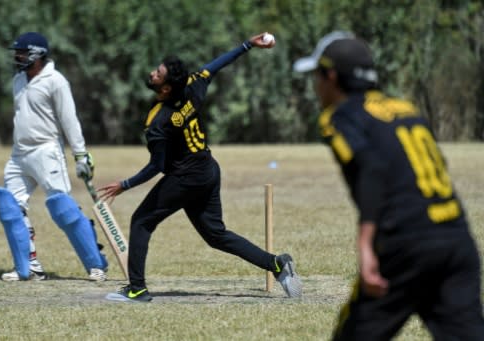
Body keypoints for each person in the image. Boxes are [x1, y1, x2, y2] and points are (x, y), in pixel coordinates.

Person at [293, 31, 484, 340]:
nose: (315, 85)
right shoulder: (405, 109)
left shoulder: (339, 117)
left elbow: (373, 168)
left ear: (331, 76)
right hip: (456, 239)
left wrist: (366, 245)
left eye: (317, 75)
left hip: (406, 246)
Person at [99, 32, 302, 302]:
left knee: (141, 221)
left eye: (157, 73)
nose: (152, 73)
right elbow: (217, 65)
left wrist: (124, 185)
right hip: (207, 170)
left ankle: (136, 289)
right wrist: (247, 45)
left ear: (166, 88)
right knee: (216, 235)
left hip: (186, 177)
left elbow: (156, 166)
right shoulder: (193, 85)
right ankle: (277, 264)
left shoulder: (159, 121)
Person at [0, 32, 108, 281]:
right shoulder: (18, 80)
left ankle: (95, 264)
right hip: (19, 153)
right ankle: (29, 266)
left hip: (46, 151)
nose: (17, 56)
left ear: (37, 54)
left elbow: (69, 120)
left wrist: (80, 155)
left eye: (22, 52)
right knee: (11, 208)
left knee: (62, 207)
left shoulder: (56, 81)